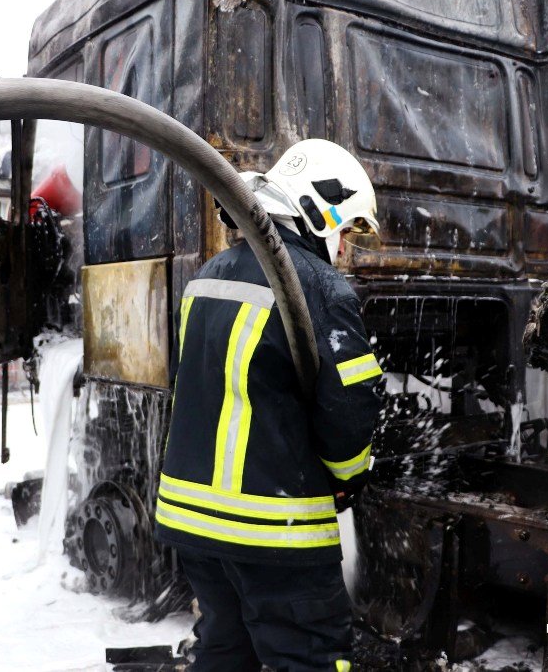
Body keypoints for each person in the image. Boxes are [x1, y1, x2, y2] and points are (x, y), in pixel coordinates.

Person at [155, 139, 384, 672]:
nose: (346, 249)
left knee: (225, 651)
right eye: (346, 230)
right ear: (317, 211)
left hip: (194, 526)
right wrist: (350, 478)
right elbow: (349, 418)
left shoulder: (206, 275)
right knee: (307, 657)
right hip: (274, 531)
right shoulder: (323, 289)